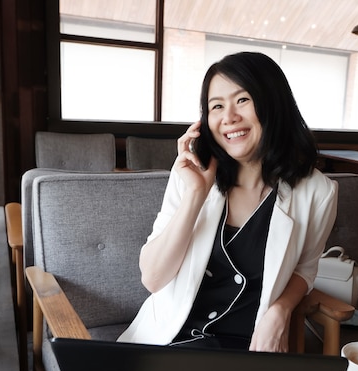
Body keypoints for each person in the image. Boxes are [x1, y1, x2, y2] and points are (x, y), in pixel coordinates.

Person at [118, 51, 338, 352]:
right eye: (216, 106)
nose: (229, 117)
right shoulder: (189, 174)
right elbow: (154, 279)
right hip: (170, 341)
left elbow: (305, 269)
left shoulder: (318, 192)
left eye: (243, 100)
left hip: (246, 350)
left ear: (273, 102)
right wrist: (196, 194)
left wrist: (280, 310)